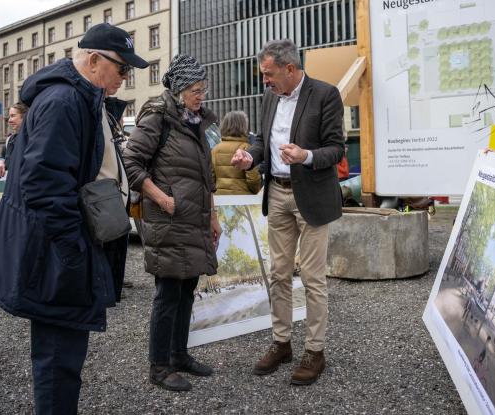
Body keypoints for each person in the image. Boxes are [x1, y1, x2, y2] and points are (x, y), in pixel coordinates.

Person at [0, 23, 148, 414]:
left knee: (63, 356)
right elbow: (44, 184)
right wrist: (73, 248)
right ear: (94, 60)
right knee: (58, 360)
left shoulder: (81, 99)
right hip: (56, 252)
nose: (125, 77)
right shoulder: (65, 101)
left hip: (63, 248)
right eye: (122, 68)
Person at [231, 39, 344, 385]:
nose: (264, 80)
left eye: (268, 74)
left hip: (311, 195)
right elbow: (261, 140)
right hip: (277, 194)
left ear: (290, 69)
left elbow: (337, 149)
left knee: (312, 278)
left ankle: (315, 350)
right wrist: (251, 156)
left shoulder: (325, 95)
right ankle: (282, 343)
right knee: (278, 274)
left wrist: (305, 156)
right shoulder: (269, 97)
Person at [123, 54, 222, 392]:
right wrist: (159, 197)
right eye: (196, 89)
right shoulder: (157, 117)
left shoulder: (197, 122)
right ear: (179, 90)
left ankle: (179, 355)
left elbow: (207, 176)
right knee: (167, 294)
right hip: (168, 219)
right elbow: (131, 161)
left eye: (203, 89)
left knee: (187, 291)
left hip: (193, 219)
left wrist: (215, 216)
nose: (201, 95)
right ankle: (159, 367)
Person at [212, 110, 262, 195]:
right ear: (243, 126)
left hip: (221, 201)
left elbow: (211, 179)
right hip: (242, 202)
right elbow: (254, 183)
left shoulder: (215, 149)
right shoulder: (247, 149)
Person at [0, 103, 28, 178]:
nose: (9, 121)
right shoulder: (9, 140)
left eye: (13, 116)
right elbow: (3, 158)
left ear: (24, 117)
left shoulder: (33, 139)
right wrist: (0, 162)